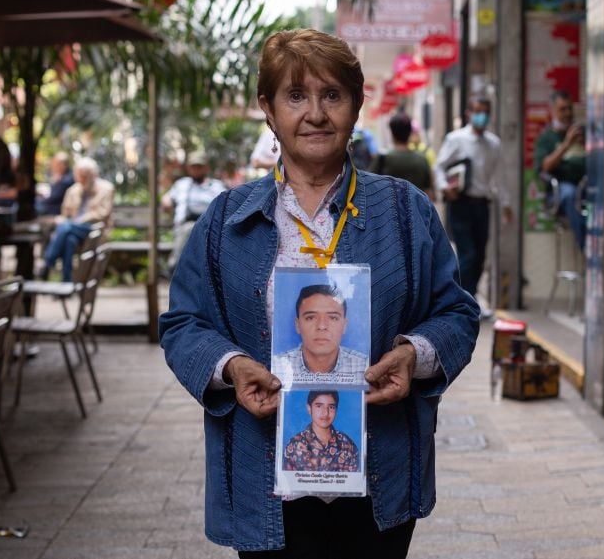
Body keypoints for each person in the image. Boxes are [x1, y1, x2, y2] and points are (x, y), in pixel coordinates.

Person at [158, 28, 478, 558]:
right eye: (296, 95)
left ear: (355, 107)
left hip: (378, 473)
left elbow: (458, 314)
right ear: (268, 107)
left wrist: (412, 355)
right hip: (265, 480)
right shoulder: (225, 221)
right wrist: (233, 366)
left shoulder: (404, 211)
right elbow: (183, 324)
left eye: (333, 95)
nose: (316, 113)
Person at [433, 96, 513, 300]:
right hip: (461, 203)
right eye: (477, 112)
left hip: (482, 205)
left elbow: (500, 177)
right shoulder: (456, 139)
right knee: (467, 254)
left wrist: (506, 205)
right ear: (468, 114)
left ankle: (471, 297)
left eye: (485, 112)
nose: (481, 117)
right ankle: (465, 301)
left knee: (479, 256)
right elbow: (439, 167)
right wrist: (445, 188)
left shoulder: (494, 144)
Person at [271, 284, 368, 383]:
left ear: (344, 325)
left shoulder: (364, 366)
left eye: (333, 318)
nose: (321, 326)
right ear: (298, 325)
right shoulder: (277, 367)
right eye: (310, 317)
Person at [40, 157, 113, 281]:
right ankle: (67, 282)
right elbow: (65, 214)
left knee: (66, 227)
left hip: (93, 230)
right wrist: (61, 220)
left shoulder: (106, 189)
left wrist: (81, 220)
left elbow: (103, 213)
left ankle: (48, 262)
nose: (82, 178)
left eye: (85, 175)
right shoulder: (73, 190)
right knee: (69, 240)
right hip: (72, 230)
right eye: (80, 175)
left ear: (93, 174)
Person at [533, 90, 587, 252]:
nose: (568, 113)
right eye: (563, 109)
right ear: (553, 111)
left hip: (586, 186)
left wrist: (586, 144)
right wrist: (566, 144)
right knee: (571, 194)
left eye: (570, 109)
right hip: (560, 192)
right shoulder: (547, 138)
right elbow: (545, 167)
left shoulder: (583, 134)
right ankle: (586, 248)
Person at [161, 150, 226, 271]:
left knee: (195, 230)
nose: (196, 169)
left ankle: (174, 267)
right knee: (190, 229)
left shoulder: (216, 186)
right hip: (185, 225)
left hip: (211, 226)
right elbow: (167, 199)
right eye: (193, 166)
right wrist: (166, 202)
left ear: (206, 168)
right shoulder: (182, 184)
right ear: (188, 168)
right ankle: (176, 267)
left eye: (199, 166)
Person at [283, 391, 359, 472]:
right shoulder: (294, 445)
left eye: (331, 407)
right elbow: (286, 482)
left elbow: (354, 482)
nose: (325, 413)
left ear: (336, 410)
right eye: (319, 406)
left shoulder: (348, 445)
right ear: (309, 408)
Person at [369, 113, 433, 195]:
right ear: (410, 132)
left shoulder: (383, 158)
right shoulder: (422, 159)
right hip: (416, 207)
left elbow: (370, 187)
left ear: (391, 133)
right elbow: (429, 191)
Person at [36, 151, 75, 216]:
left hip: (56, 209)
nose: (53, 166)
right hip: (53, 205)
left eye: (56, 164)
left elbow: (53, 198)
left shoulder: (67, 179)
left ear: (63, 165)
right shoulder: (62, 176)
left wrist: (40, 199)